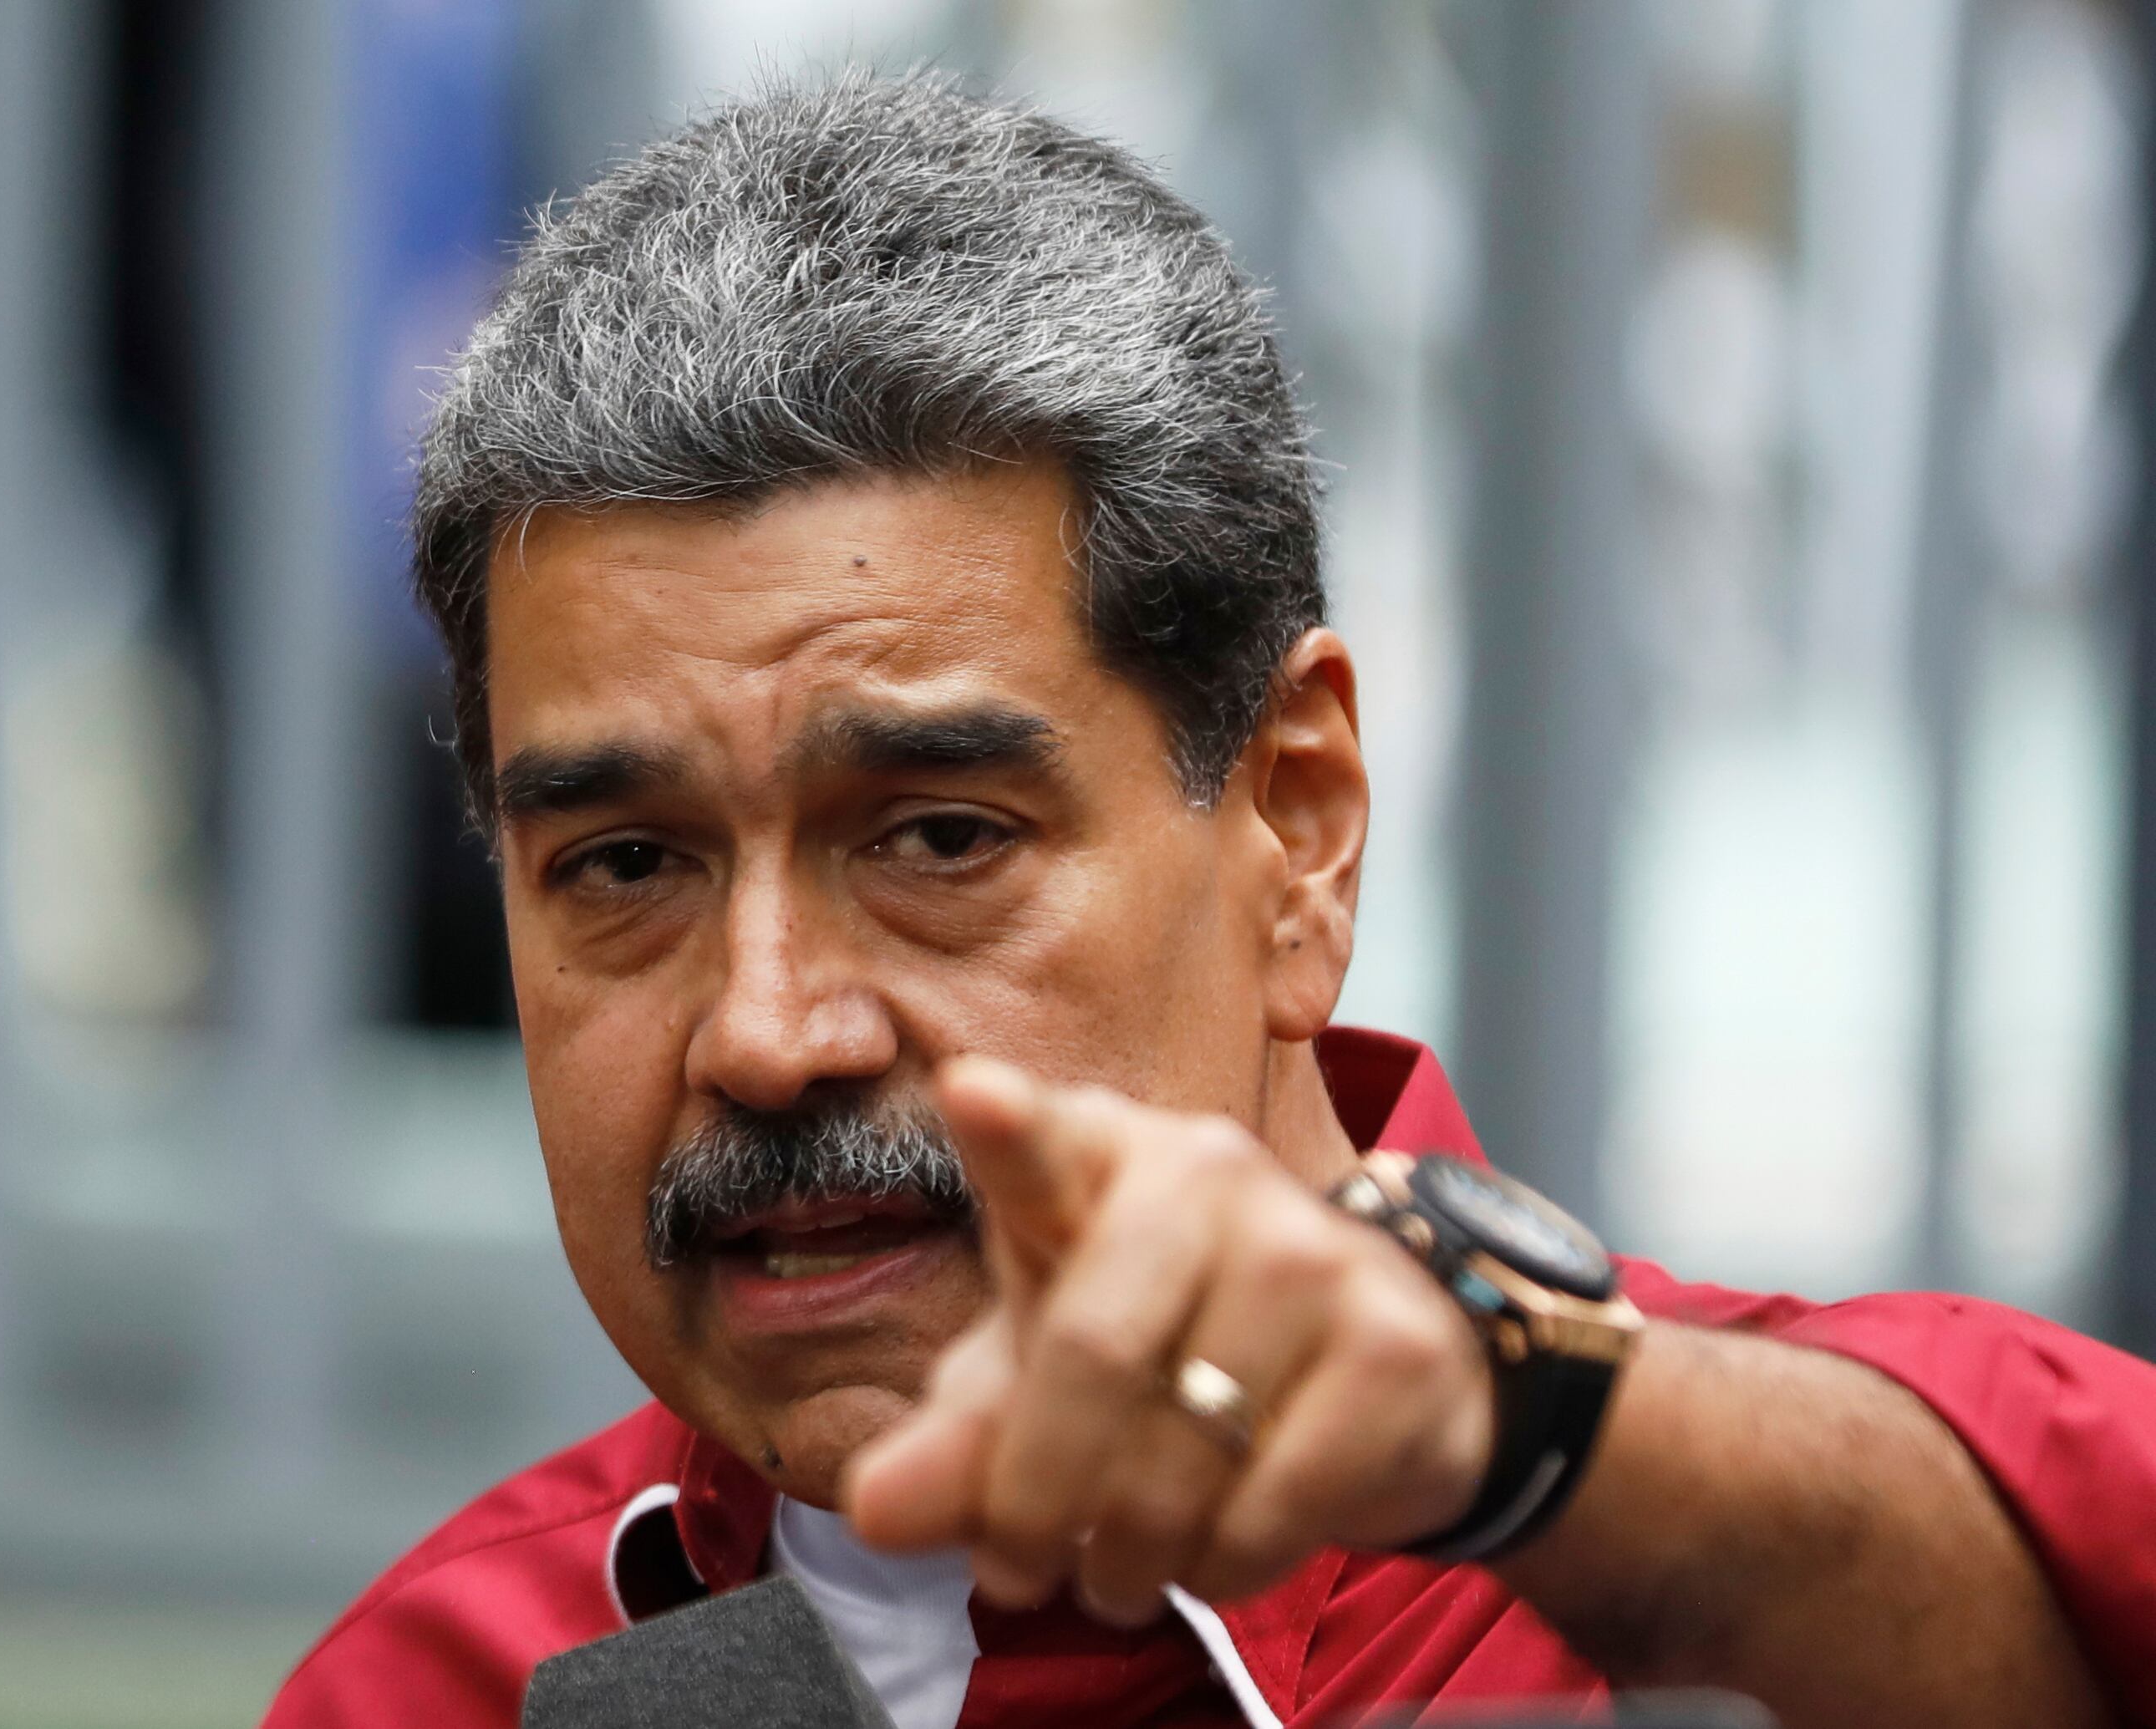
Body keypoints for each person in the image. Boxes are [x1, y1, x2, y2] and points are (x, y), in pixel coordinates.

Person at [266, 72, 2156, 1729]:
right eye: (624, 867)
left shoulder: (1731, 1541)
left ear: (1299, 822)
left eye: (936, 839)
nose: (767, 1031)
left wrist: (1537, 1441)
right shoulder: (432, 1686)